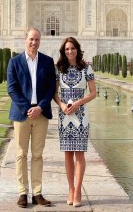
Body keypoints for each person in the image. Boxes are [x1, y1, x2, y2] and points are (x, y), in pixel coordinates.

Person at [6, 28, 56, 208]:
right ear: (25, 40)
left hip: (41, 113)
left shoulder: (47, 61)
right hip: (22, 113)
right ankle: (22, 193)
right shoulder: (14, 62)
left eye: (36, 39)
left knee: (37, 155)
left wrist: (40, 106)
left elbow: (51, 88)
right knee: (21, 154)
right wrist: (28, 108)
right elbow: (12, 89)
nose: (34, 42)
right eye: (31, 39)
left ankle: (37, 193)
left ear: (40, 41)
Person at [52, 37, 96, 208]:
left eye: (72, 48)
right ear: (64, 51)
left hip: (81, 114)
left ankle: (78, 190)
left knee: (80, 154)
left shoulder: (86, 68)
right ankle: (70, 189)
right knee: (68, 154)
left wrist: (78, 103)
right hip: (65, 115)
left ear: (77, 49)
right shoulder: (59, 69)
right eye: (67, 49)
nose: (70, 52)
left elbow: (93, 93)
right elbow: (55, 93)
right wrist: (62, 104)